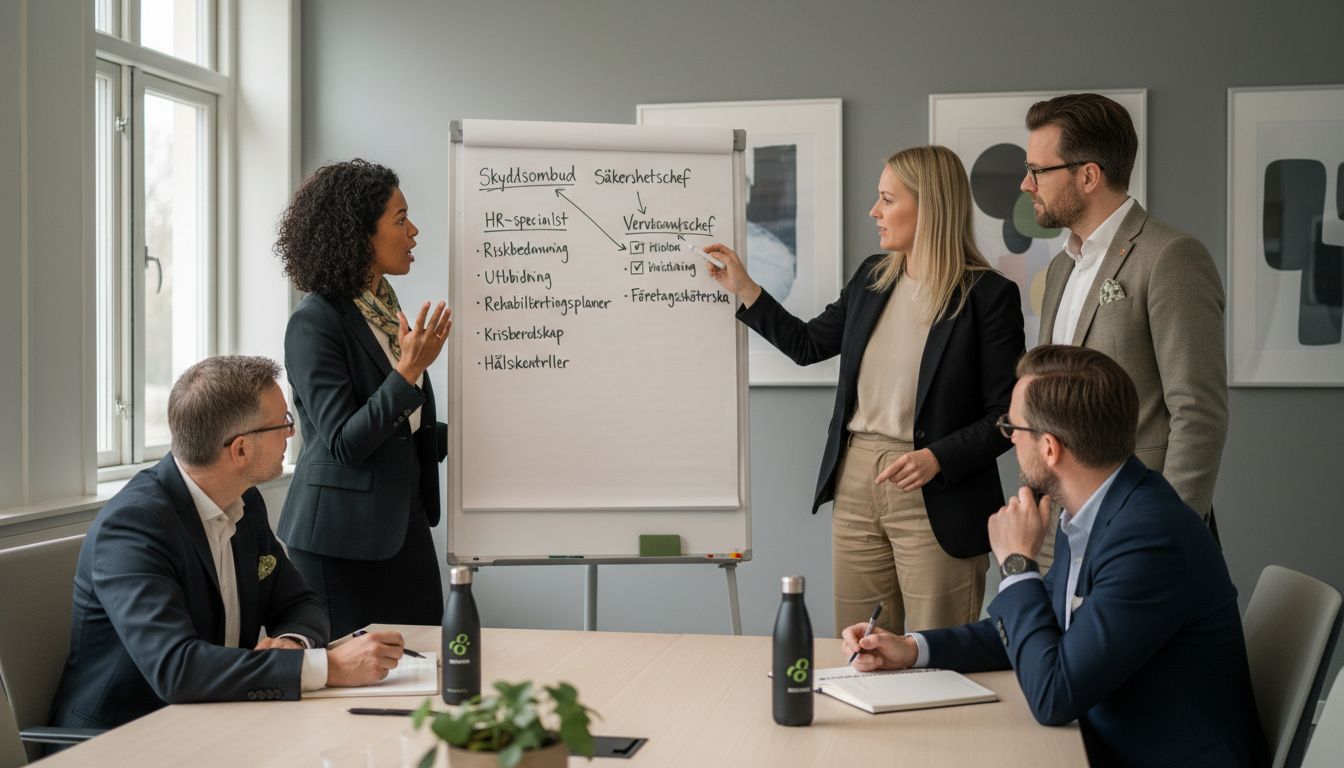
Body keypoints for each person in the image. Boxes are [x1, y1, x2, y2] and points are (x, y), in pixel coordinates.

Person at [842, 345, 1268, 768]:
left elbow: (1053, 696)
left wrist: (1016, 565)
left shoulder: (1149, 539)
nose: (1008, 436)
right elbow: (1044, 625)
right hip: (1104, 740)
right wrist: (914, 648)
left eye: (1012, 425)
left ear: (1049, 448)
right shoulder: (1093, 510)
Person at [705, 145, 1024, 636]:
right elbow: (809, 344)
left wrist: (937, 457)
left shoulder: (989, 297)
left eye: (887, 200)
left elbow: (1006, 416)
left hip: (937, 488)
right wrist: (746, 288)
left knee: (938, 649)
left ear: (930, 205)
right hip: (856, 480)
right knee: (859, 643)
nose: (874, 211)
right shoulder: (872, 279)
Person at [50, 356, 407, 731]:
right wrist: (326, 667)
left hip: (216, 718)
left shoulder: (244, 501)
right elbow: (176, 669)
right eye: (283, 424)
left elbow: (300, 602)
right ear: (240, 450)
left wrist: (292, 645)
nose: (291, 433)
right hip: (122, 738)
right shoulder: (134, 527)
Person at [1025, 93, 1226, 545]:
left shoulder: (1170, 257)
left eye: (1038, 171)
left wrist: (1165, 533)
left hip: (1142, 524)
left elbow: (1198, 412)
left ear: (1089, 176)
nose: (1026, 183)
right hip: (1062, 525)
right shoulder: (1061, 267)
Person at [275, 159, 451, 638]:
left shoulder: (385, 309)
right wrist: (410, 369)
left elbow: (401, 427)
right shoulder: (314, 322)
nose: (413, 231)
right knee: (355, 691)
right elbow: (344, 442)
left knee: (427, 660)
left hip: (403, 524)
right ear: (359, 234)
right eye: (400, 219)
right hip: (340, 541)